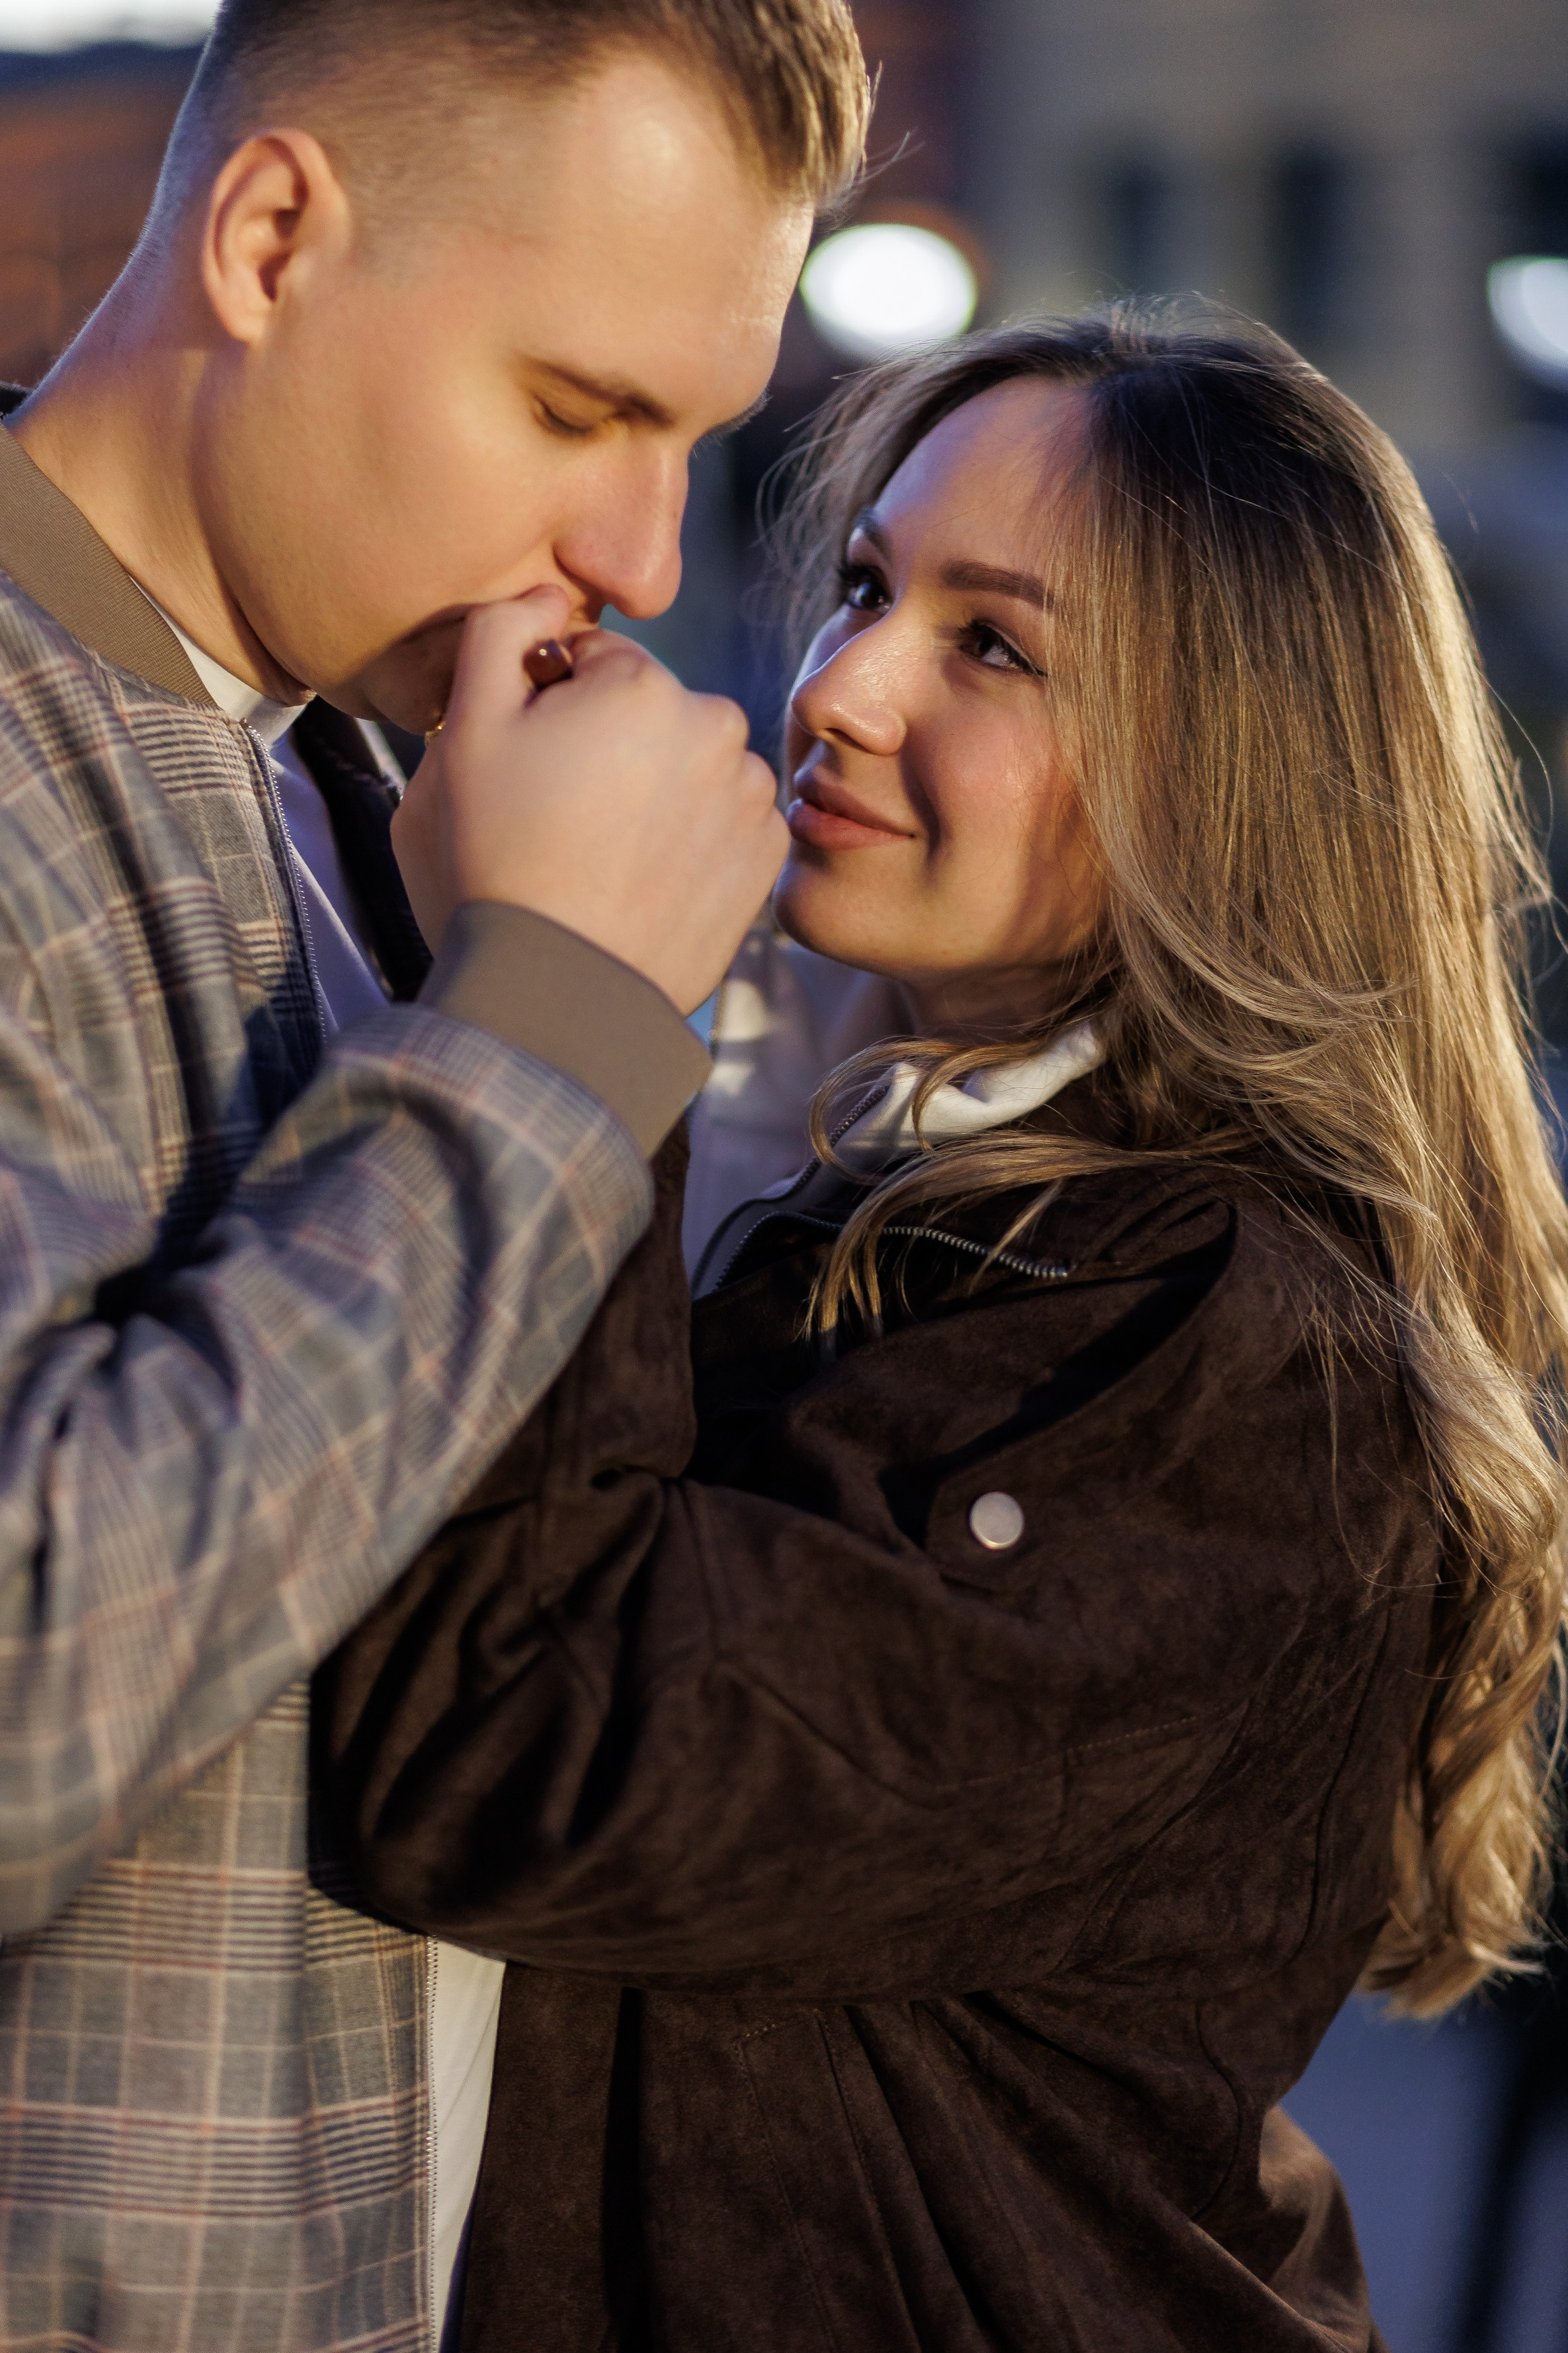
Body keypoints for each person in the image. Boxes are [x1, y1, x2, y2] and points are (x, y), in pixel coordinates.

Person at [321, 311, 1568, 2352]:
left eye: (994, 646)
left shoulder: (1230, 1351)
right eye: (866, 586)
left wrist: (564, 998)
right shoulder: (948, 1223)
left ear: (1232, 778)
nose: (839, 685)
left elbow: (527, 1754)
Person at [0, 2, 868, 2348]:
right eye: (578, 409)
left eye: (698, 435)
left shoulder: (354, 780)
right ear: (275, 235)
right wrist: (554, 1019)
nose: (646, 548)